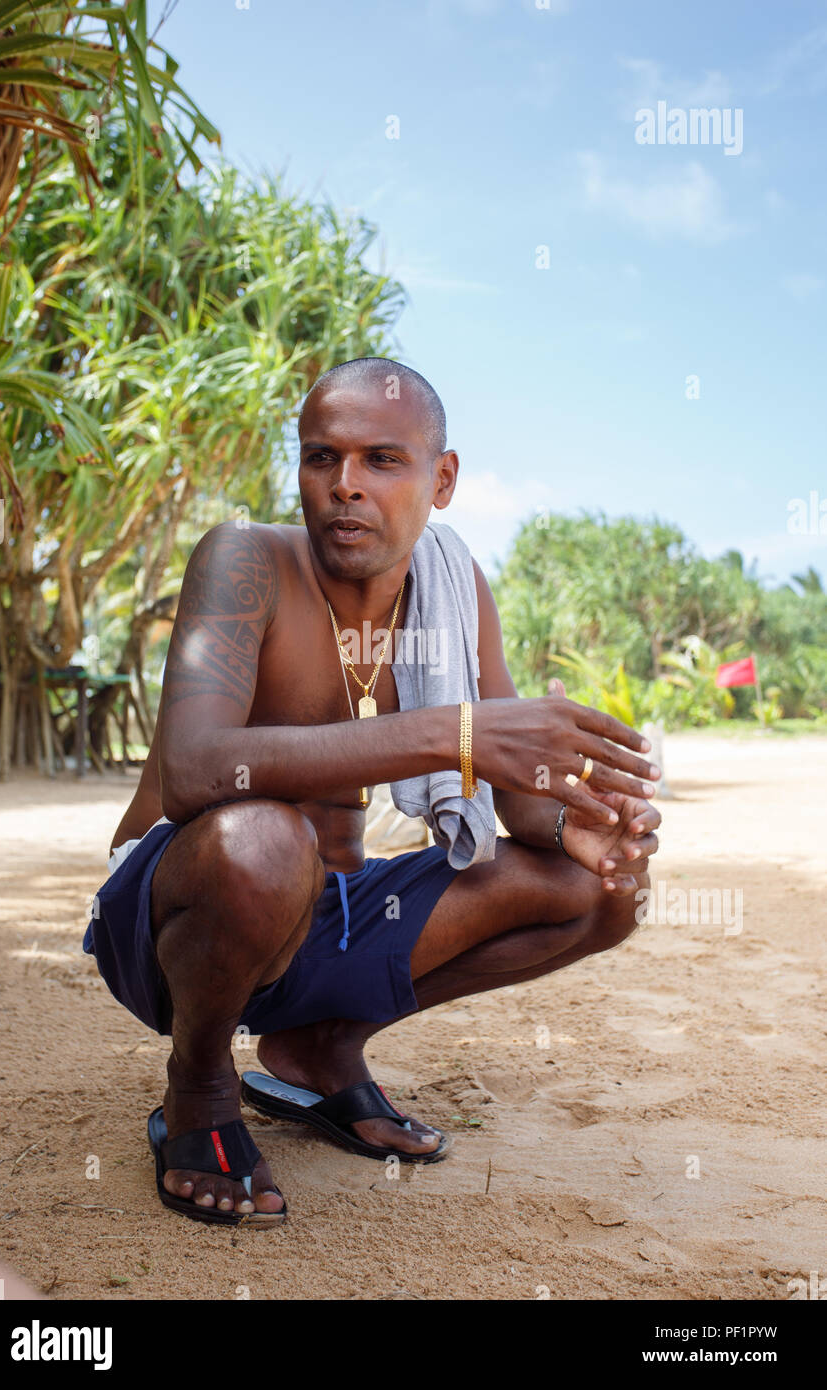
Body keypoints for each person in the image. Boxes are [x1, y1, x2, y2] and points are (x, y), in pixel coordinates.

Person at [84, 357, 661, 1226]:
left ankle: (321, 1046)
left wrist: (581, 822)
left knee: (598, 896)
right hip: (179, 920)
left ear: (444, 479)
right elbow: (195, 772)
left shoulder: (454, 588)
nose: (344, 486)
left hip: (327, 920)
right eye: (322, 458)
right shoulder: (246, 562)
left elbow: (519, 796)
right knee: (268, 842)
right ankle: (200, 1082)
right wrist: (455, 733)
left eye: (382, 461)